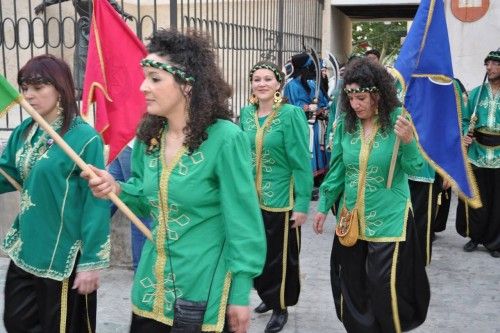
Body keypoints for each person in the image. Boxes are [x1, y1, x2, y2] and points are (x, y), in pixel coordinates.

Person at [83, 29, 266, 333]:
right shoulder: (148, 139)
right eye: (145, 77)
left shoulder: (226, 139)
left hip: (201, 292)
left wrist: (239, 295)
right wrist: (115, 189)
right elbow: (144, 198)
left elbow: (243, 222)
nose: (143, 87)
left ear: (187, 84)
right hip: (150, 289)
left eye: (155, 78)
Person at [313, 58, 430, 333]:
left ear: (378, 94)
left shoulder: (398, 120)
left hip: (388, 218)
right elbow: (338, 169)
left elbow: (415, 168)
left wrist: (409, 143)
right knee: (352, 284)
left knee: (382, 285)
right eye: (351, 98)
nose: (356, 104)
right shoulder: (345, 125)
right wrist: (323, 206)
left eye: (362, 97)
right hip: (351, 216)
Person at [0, 54, 110, 332]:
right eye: (25, 87)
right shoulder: (25, 130)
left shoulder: (85, 138)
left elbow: (95, 202)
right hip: (25, 245)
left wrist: (92, 263)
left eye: (38, 87)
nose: (29, 95)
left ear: (60, 88)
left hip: (63, 254)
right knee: (16, 322)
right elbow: (9, 172)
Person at [240, 61, 313, 333]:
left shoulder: (291, 114)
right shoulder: (246, 114)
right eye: (256, 79)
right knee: (255, 254)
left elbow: (300, 162)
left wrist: (303, 203)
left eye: (268, 79)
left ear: (278, 84)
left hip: (281, 200)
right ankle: (266, 296)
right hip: (249, 199)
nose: (261, 83)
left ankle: (280, 305)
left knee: (278, 258)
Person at [35, 0, 132, 98]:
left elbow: (111, 3)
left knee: (106, 58)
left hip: (100, 25)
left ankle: (114, 88)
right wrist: (45, 3)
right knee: (80, 56)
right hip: (84, 26)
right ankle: (81, 89)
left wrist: (122, 12)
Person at [456, 50, 500, 258]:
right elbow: (464, 120)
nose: (489, 67)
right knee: (476, 199)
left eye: (494, 63)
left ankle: (495, 242)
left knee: (497, 201)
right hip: (477, 153)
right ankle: (475, 236)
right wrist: (466, 134)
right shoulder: (475, 94)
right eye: (487, 63)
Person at [284, 52, 329, 183]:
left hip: (315, 120)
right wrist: (308, 107)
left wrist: (321, 107)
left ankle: (318, 176)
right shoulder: (291, 85)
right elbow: (291, 105)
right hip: (300, 123)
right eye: (310, 65)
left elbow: (322, 101)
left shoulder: (311, 83)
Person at [108, 140, 152, 272]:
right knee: (140, 213)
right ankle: (141, 272)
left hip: (126, 143)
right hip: (137, 144)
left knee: (104, 203)